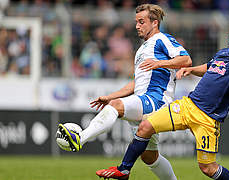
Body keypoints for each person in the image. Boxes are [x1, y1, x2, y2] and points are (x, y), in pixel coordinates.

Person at [96, 21, 229, 179]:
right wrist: (190, 69)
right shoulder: (224, 53)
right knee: (145, 127)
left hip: (207, 118)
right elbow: (208, 68)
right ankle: (123, 169)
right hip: (187, 106)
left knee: (208, 168)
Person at [58, 3, 192, 180]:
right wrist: (110, 96)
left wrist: (159, 63)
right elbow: (136, 84)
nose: (137, 26)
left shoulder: (162, 39)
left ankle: (80, 138)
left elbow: (186, 59)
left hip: (156, 100)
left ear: (154, 23)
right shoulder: (142, 49)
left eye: (141, 21)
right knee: (149, 157)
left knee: (116, 107)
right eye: (136, 22)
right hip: (144, 98)